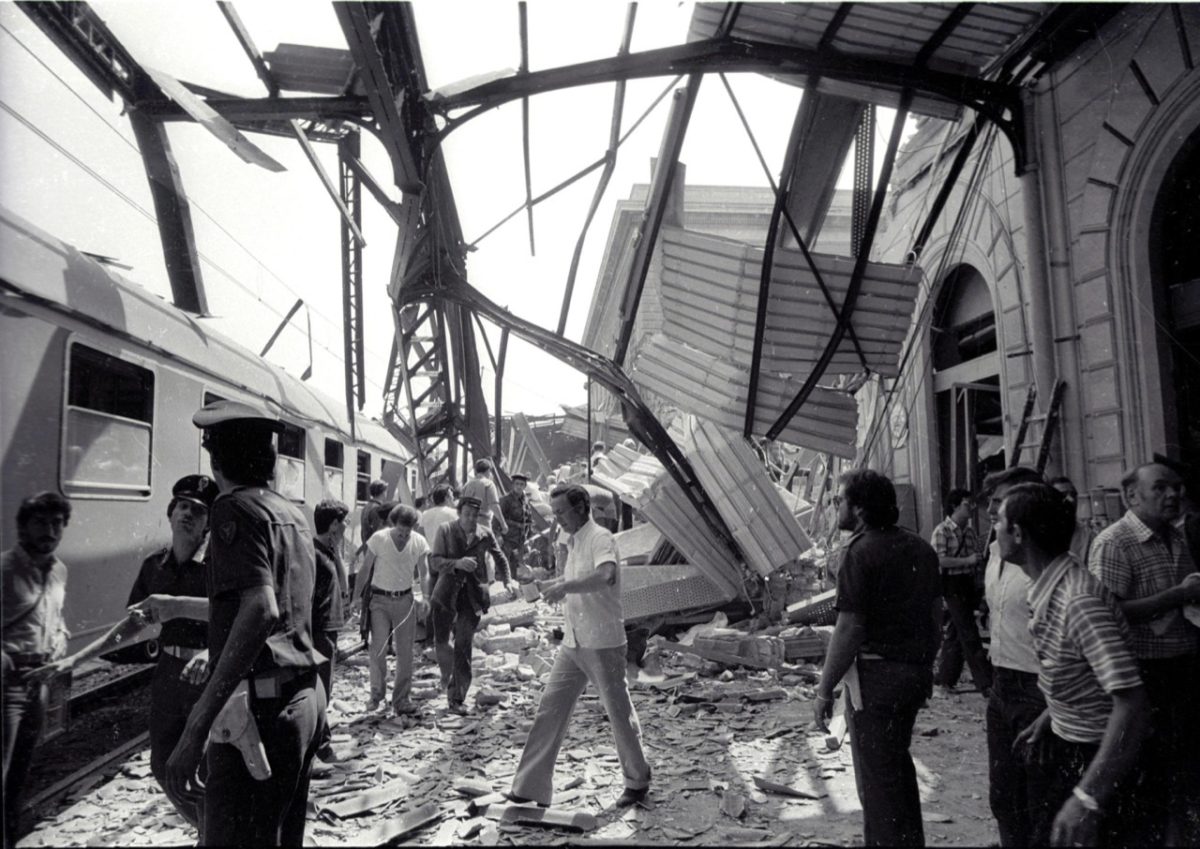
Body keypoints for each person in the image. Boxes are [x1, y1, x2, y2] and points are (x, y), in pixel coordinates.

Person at [165, 399, 325, 847]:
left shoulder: (231, 510)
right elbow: (285, 610)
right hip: (304, 700)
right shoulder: (292, 513)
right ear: (270, 460)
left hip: (260, 714)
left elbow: (261, 610)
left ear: (215, 460)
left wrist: (197, 724)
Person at [35, 476, 219, 831]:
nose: (188, 515)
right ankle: (207, 829)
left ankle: (213, 834)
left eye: (198, 511)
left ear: (208, 522)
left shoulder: (217, 566)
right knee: (163, 766)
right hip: (169, 671)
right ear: (170, 513)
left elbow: (234, 613)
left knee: (208, 766)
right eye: (182, 506)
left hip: (209, 674)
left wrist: (210, 650)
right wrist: (77, 658)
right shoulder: (155, 565)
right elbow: (132, 624)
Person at [996, 482, 1149, 847]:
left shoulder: (1078, 602)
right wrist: (1052, 715)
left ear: (1018, 534)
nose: (994, 528)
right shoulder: (1050, 583)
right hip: (1074, 745)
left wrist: (1087, 797)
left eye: (999, 521)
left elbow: (1132, 704)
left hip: (1101, 758)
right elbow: (1084, 669)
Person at [813, 470, 941, 847]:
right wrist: (923, 663)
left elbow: (849, 629)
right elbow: (936, 616)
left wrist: (823, 690)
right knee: (896, 767)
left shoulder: (858, 552)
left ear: (860, 507)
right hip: (914, 674)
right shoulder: (921, 548)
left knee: (878, 783)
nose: (837, 506)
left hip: (878, 679)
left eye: (840, 500)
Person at [507, 484, 652, 808]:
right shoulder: (572, 542)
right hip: (574, 641)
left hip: (603, 641)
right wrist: (552, 586)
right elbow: (576, 584)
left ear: (581, 508)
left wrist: (567, 586)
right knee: (550, 709)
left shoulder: (600, 538)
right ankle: (529, 787)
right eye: (555, 513)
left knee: (618, 713)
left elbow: (605, 576)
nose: (557, 519)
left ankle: (637, 780)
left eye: (561, 512)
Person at [1088, 461, 1200, 845]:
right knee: (1145, 777)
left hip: (1182, 667)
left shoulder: (1178, 536)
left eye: (1176, 488)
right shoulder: (1114, 542)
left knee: (1180, 772)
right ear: (1131, 495)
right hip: (1141, 674)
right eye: (1160, 488)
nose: (1172, 495)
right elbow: (1108, 613)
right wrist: (1177, 596)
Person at [981, 465, 1052, 847]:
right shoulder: (996, 554)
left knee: (1039, 798)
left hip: (1039, 689)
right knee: (1004, 798)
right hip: (1002, 685)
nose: (992, 511)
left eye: (1000, 502)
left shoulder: (1047, 568)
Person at [2, 492, 71, 849]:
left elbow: (55, 620)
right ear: (23, 526)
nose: (50, 530)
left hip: (40, 684)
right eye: (41, 522)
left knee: (19, 775)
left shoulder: (59, 569)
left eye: (57, 522)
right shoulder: (4, 568)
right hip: (7, 685)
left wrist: (60, 638)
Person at [429, 496, 508, 715]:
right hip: (446, 594)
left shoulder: (485, 533)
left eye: (475, 515)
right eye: (467, 514)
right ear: (459, 514)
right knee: (443, 642)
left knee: (463, 643)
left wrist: (508, 580)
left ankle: (457, 698)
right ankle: (446, 679)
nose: (471, 519)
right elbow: (435, 561)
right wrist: (456, 564)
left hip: (472, 596)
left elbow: (500, 557)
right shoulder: (445, 530)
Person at [357, 504, 429, 717]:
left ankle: (401, 699)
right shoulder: (379, 539)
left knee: (405, 652)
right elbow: (365, 569)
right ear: (392, 525)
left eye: (408, 532)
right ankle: (376, 694)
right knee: (378, 648)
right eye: (400, 532)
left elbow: (424, 572)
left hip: (405, 600)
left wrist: (426, 597)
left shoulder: (418, 542)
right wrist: (354, 597)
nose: (404, 536)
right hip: (379, 600)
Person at [930, 488, 992, 695]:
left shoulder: (969, 531)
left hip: (967, 583)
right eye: (967, 504)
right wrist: (967, 561)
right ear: (955, 506)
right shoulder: (942, 531)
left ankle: (946, 676)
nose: (971, 507)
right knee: (968, 633)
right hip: (952, 585)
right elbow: (938, 560)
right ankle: (986, 683)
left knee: (957, 632)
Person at [312, 499, 349, 757]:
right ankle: (322, 747)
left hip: (328, 629)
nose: (346, 526)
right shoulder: (315, 554)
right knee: (321, 689)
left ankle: (321, 743)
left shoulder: (329, 551)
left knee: (325, 687)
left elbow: (343, 581)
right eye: (343, 522)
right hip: (320, 631)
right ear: (334, 524)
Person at [1049, 476, 1096, 563]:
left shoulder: (1087, 535)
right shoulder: (1041, 535)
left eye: (1073, 494)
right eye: (1063, 495)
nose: (1071, 500)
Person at [462, 459, 508, 542]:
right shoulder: (488, 484)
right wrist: (503, 523)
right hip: (483, 523)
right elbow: (494, 505)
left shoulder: (467, 485)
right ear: (488, 471)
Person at [498, 473, 533, 581]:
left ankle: (513, 585)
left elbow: (528, 518)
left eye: (522, 484)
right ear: (513, 485)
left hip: (520, 538)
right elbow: (498, 518)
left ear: (525, 486)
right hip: (508, 536)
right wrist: (498, 535)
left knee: (516, 563)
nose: (519, 486)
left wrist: (529, 535)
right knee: (505, 563)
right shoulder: (506, 500)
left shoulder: (525, 500)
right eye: (517, 484)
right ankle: (504, 586)